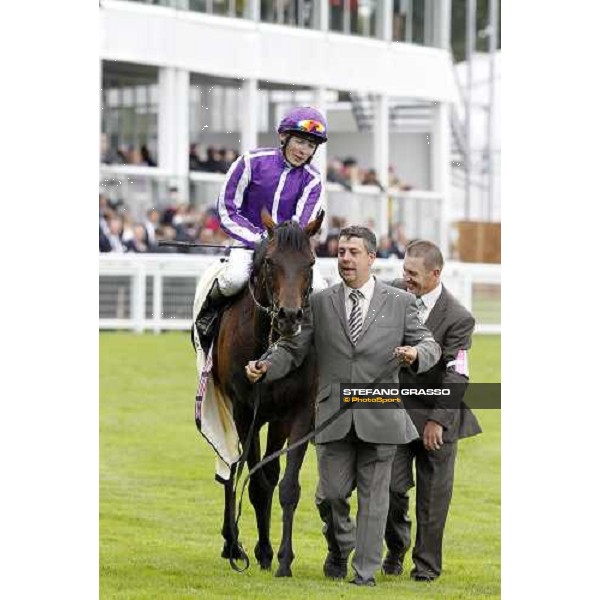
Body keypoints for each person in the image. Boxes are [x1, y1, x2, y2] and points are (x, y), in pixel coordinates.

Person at [245, 225, 441, 587]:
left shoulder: (401, 303)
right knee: (331, 497)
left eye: (353, 252)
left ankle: (364, 574)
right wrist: (267, 365)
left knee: (374, 501)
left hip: (381, 417)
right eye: (341, 252)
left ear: (371, 257)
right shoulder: (319, 302)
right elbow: (292, 347)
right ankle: (339, 548)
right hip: (333, 419)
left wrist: (416, 354)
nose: (346, 259)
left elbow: (430, 345)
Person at [382, 239, 482, 581]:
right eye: (404, 270)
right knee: (390, 488)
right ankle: (396, 548)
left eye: (413, 273)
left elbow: (458, 374)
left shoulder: (458, 318)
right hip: (396, 414)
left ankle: (425, 567)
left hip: (437, 417)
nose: (405, 278)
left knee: (432, 499)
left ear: (434, 274)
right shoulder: (394, 293)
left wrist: (438, 420)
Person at [196, 106, 329, 342]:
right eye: (299, 141)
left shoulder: (313, 179)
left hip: (289, 252)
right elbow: (227, 209)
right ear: (283, 136)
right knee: (234, 279)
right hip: (248, 244)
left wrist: (278, 243)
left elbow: (301, 224)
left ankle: (315, 348)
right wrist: (258, 238)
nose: (304, 150)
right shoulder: (250, 162)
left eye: (310, 145)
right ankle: (207, 321)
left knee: (319, 289)